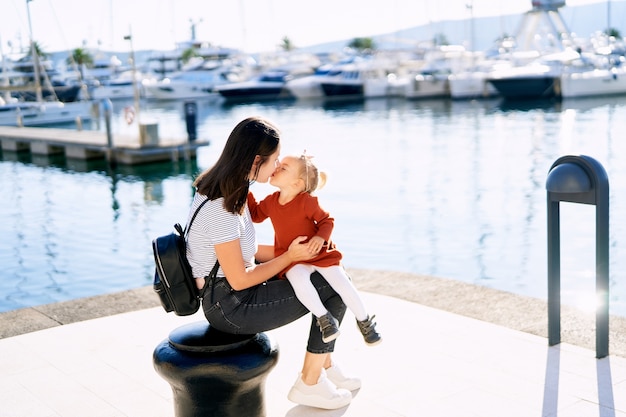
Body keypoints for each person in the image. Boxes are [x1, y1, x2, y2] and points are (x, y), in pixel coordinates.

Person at [185, 116, 359, 410]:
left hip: (228, 294)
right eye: (275, 159)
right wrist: (290, 257)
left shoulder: (225, 189)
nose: (277, 166)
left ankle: (323, 364)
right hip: (230, 307)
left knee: (330, 273)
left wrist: (304, 254)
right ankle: (311, 381)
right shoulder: (222, 207)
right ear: (256, 160)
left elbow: (241, 254)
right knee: (334, 286)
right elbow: (239, 279)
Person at [247, 153, 381, 346]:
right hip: (293, 258)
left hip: (318, 254)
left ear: (297, 184)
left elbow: (327, 221)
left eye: (283, 168)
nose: (276, 167)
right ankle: (325, 319)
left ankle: (365, 321)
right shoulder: (271, 201)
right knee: (298, 280)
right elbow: (255, 215)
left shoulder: (307, 201)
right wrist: (244, 187)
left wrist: (320, 237)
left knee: (341, 282)